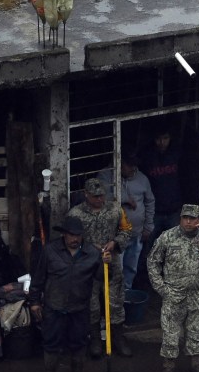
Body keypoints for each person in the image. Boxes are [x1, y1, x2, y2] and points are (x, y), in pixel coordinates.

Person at [147, 203, 199, 372]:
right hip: (174, 294)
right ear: (180, 218)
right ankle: (168, 367)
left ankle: (196, 365)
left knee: (196, 332)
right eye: (185, 218)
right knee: (170, 333)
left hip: (197, 294)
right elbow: (152, 263)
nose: (188, 222)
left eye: (192, 218)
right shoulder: (167, 237)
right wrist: (162, 289)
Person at [29, 214, 102, 372]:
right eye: (71, 235)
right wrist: (34, 302)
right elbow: (38, 278)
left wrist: (106, 263)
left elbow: (103, 278)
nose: (74, 239)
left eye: (78, 235)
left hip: (79, 307)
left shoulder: (92, 253)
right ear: (64, 235)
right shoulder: (50, 251)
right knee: (51, 342)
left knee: (79, 342)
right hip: (54, 306)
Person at [70, 176, 131, 359]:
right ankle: (95, 340)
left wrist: (115, 242)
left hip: (111, 262)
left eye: (102, 196)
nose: (100, 200)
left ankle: (118, 339)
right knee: (92, 304)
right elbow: (70, 240)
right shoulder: (75, 215)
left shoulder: (115, 210)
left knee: (115, 302)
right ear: (86, 194)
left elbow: (127, 230)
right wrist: (90, 248)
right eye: (95, 196)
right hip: (88, 267)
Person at [118, 155, 156, 286]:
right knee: (118, 269)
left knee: (131, 268)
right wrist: (125, 199)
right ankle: (116, 300)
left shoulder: (142, 179)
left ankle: (127, 296)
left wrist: (148, 226)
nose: (130, 169)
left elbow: (150, 202)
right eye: (125, 165)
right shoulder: (109, 176)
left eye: (132, 165)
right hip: (117, 236)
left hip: (136, 234)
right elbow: (104, 195)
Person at [140, 128, 185, 237]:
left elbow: (186, 179)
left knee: (174, 245)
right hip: (154, 212)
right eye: (158, 139)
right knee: (149, 246)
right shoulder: (146, 156)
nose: (162, 142)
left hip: (174, 209)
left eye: (165, 138)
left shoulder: (176, 153)